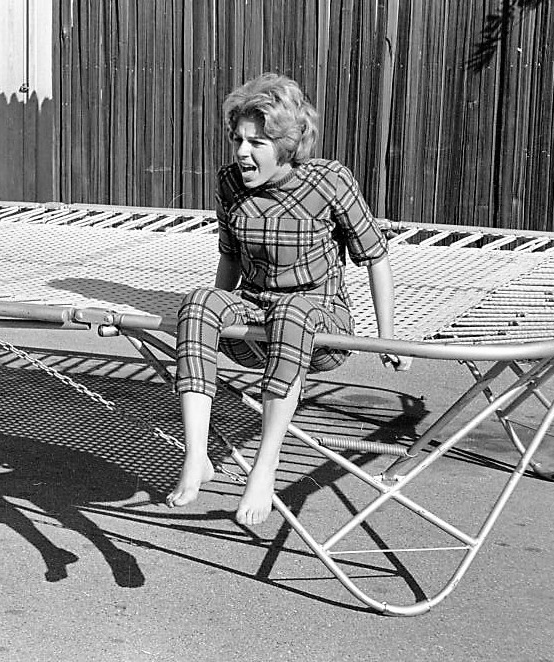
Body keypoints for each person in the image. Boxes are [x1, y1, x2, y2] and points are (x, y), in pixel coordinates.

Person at [166, 72, 411, 526]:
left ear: (286, 145)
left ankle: (265, 465)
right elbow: (229, 259)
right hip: (255, 318)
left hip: (321, 326)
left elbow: (376, 258)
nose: (242, 152)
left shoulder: (329, 182)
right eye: (238, 140)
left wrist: (389, 338)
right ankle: (197, 455)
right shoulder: (230, 183)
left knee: (292, 310)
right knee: (198, 301)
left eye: (256, 143)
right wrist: (208, 317)